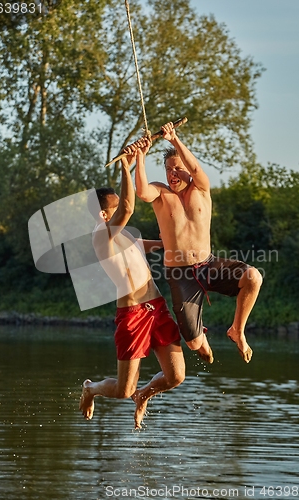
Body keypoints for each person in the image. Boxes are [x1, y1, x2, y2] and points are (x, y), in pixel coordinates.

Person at [79, 138, 185, 429]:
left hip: (157, 307)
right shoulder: (101, 236)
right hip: (132, 315)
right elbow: (127, 208)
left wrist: (142, 159)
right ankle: (92, 388)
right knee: (123, 390)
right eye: (113, 206)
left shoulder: (129, 236)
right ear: (103, 215)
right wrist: (126, 165)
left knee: (176, 377)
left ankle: (145, 394)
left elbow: (164, 242)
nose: (120, 207)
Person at [135, 122, 263, 364]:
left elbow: (194, 167)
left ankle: (237, 329)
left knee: (253, 277)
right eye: (168, 170)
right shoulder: (161, 194)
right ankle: (200, 336)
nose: (173, 174)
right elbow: (142, 192)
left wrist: (174, 140)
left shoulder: (201, 188)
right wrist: (140, 157)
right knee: (195, 346)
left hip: (208, 265)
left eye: (178, 169)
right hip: (179, 274)